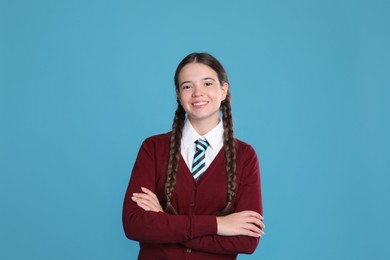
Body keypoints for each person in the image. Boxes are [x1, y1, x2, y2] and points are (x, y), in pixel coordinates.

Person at [122, 52, 264, 259]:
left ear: (223, 91)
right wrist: (218, 224)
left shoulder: (245, 156)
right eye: (187, 86)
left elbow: (247, 240)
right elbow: (134, 224)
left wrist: (165, 222)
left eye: (207, 83)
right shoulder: (153, 148)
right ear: (179, 96)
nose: (198, 93)